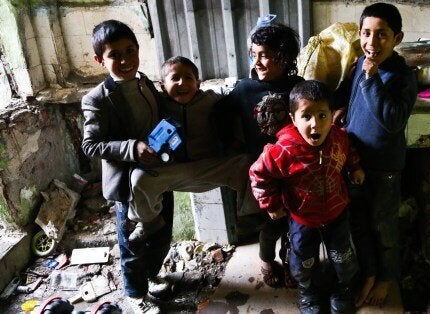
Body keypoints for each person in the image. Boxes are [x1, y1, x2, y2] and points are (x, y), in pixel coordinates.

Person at [249, 80, 365, 313]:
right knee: (303, 261)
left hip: (336, 212)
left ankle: (342, 288)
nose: (316, 124)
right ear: (293, 119)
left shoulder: (338, 138)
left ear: (332, 115)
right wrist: (270, 203)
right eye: (307, 116)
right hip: (302, 218)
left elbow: (349, 151)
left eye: (322, 115)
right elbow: (258, 174)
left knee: (343, 257)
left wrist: (355, 168)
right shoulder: (283, 150)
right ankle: (308, 291)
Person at [81, 20, 168, 314]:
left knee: (160, 232)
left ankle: (151, 277)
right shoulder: (96, 99)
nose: (125, 60)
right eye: (114, 55)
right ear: (99, 60)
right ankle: (134, 295)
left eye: (130, 51)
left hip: (157, 176)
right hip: (127, 185)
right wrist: (132, 148)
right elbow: (91, 145)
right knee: (131, 242)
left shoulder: (146, 83)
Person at [334, 2, 417, 307]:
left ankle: (387, 277)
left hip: (384, 168)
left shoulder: (402, 76)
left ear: (398, 38)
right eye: (367, 33)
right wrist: (345, 110)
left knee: (383, 226)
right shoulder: (360, 64)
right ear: (359, 34)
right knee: (359, 223)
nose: (372, 42)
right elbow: (356, 97)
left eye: (382, 35)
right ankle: (370, 272)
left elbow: (392, 119)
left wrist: (371, 79)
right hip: (356, 161)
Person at [126, 56, 249, 244]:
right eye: (175, 78)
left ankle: (248, 216)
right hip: (175, 171)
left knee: (247, 164)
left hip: (211, 167)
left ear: (198, 84)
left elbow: (233, 95)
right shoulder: (157, 105)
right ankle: (148, 222)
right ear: (162, 85)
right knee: (139, 178)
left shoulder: (210, 99)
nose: (182, 83)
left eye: (189, 78)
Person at [218, 22, 303, 288]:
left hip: (296, 170)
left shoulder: (298, 88)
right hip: (265, 174)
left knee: (296, 223)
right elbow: (218, 115)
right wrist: (231, 144)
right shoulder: (244, 90)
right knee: (270, 224)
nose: (258, 63)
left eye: (265, 55)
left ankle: (291, 262)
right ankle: (267, 261)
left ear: (285, 56)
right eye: (254, 55)